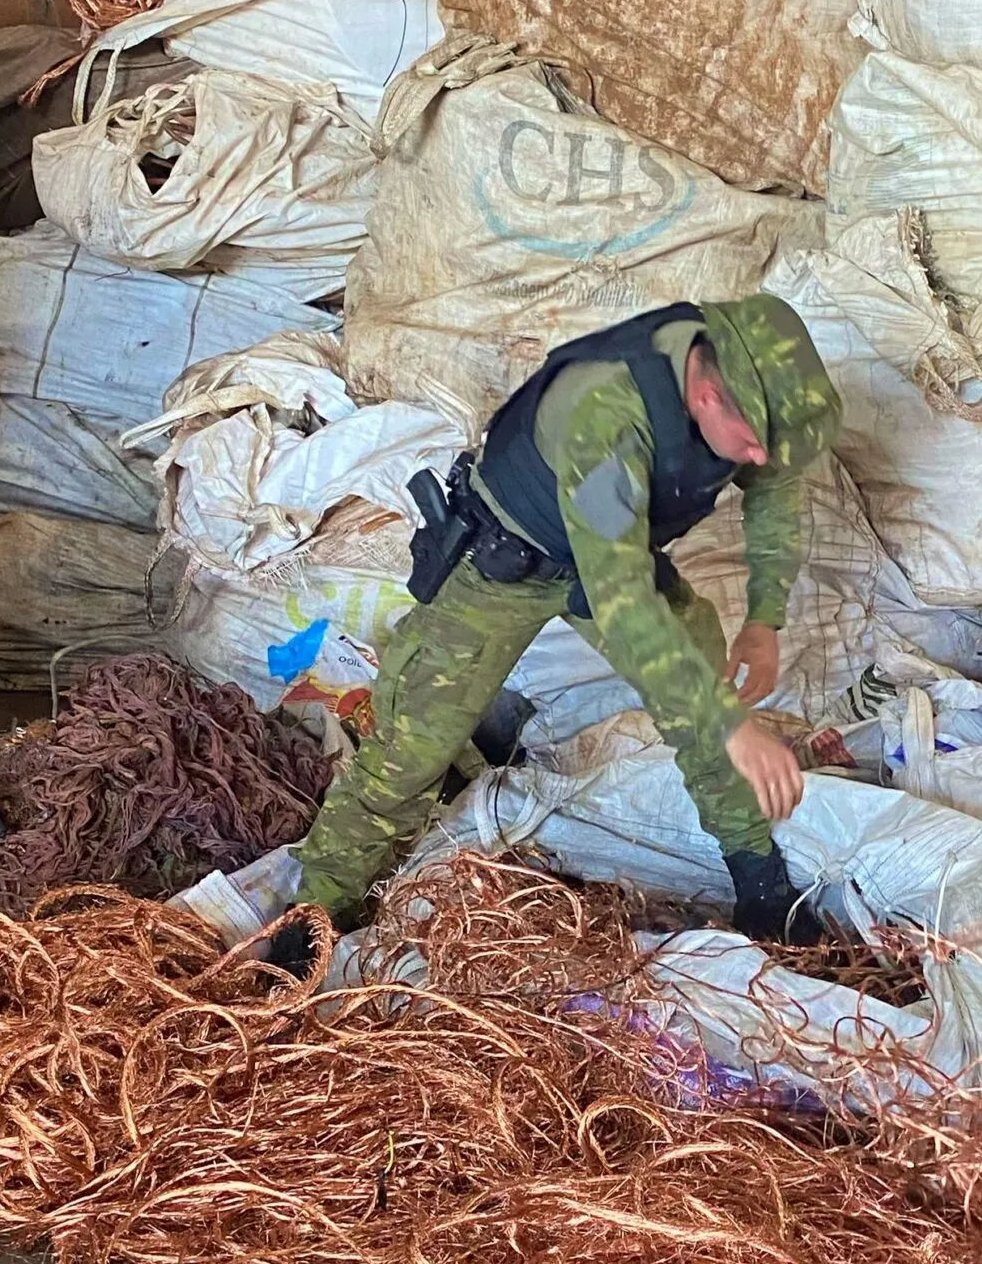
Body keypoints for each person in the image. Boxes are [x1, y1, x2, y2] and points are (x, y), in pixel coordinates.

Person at [295, 295, 842, 941]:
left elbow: (773, 487)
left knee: (703, 688)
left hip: (612, 555)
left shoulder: (744, 386)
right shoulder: (607, 413)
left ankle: (760, 883)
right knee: (414, 742)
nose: (754, 459)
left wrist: (765, 616)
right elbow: (625, 604)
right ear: (707, 397)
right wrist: (728, 726)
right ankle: (319, 911)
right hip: (511, 556)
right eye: (750, 444)